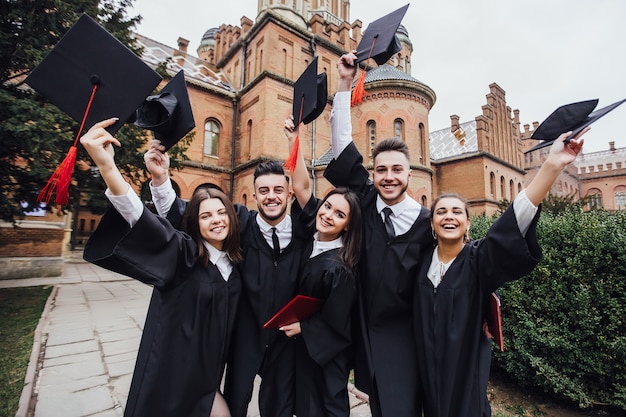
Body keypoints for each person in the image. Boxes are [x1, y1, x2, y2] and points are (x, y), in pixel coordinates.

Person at [413, 129, 587, 417]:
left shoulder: (479, 258)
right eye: (441, 212)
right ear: (432, 224)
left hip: (465, 373)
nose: (449, 217)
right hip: (427, 373)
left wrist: (552, 165)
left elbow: (513, 220)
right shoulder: (419, 263)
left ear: (467, 223)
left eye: (457, 212)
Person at [80, 118, 243, 417]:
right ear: (195, 223)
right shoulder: (184, 255)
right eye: (206, 216)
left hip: (208, 373)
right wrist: (107, 168)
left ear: (233, 218)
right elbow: (141, 217)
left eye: (222, 212)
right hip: (174, 374)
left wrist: (161, 178)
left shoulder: (234, 265)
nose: (216, 220)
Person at [144, 142, 318, 417]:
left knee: (280, 408)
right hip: (244, 335)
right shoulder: (239, 223)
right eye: (263, 191)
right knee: (235, 403)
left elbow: (307, 189)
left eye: (277, 190)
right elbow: (186, 214)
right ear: (255, 196)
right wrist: (161, 178)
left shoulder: (304, 230)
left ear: (289, 194)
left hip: (285, 340)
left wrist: (294, 140)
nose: (271, 197)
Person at [323, 52, 434, 416]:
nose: (388, 176)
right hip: (365, 336)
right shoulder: (367, 203)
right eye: (381, 169)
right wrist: (343, 84)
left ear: (409, 175)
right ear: (372, 175)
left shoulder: (426, 224)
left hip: (405, 337)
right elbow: (342, 146)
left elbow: (457, 268)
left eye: (396, 170)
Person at [280, 116, 363, 417]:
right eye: (328, 206)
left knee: (325, 407)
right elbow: (302, 186)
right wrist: (294, 140)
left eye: (339, 215)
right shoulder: (312, 236)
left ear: (347, 226)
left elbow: (339, 324)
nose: (328, 215)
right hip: (302, 350)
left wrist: (304, 327)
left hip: (327, 357)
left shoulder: (340, 268)